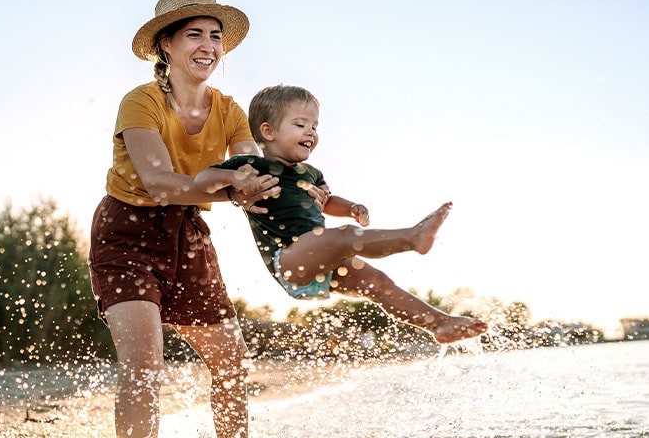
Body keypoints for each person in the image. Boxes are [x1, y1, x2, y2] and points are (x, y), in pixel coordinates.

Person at [87, 0, 326, 437]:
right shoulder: (140, 102)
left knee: (232, 362)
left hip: (189, 234)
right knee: (143, 363)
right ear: (167, 44)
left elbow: (254, 173)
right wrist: (232, 186)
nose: (208, 46)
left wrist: (299, 192)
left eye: (215, 36)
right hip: (126, 232)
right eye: (194, 34)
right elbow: (159, 182)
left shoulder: (231, 111)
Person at [196, 84, 488, 344]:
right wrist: (235, 180)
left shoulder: (310, 173)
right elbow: (204, 179)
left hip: (323, 258)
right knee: (345, 238)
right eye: (300, 124)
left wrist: (350, 209)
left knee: (378, 283)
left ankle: (439, 323)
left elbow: (328, 201)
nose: (311, 132)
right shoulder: (249, 165)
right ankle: (412, 238)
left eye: (315, 126)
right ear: (268, 131)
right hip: (288, 259)